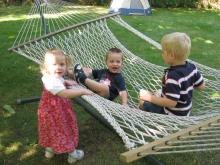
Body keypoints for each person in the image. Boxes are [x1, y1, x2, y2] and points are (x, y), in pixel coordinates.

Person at [38, 49, 93, 164]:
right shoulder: (51, 82)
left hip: (50, 111)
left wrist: (67, 83)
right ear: (46, 67)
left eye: (62, 64)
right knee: (63, 129)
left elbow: (60, 82)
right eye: (54, 64)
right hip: (56, 112)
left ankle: (50, 149)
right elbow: (64, 93)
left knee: (51, 130)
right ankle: (73, 154)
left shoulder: (52, 76)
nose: (59, 67)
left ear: (66, 65)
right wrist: (82, 91)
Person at [139, 32, 205, 116]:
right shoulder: (192, 67)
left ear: (171, 55)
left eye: (163, 52)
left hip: (171, 114)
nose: (162, 54)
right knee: (158, 92)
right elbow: (202, 86)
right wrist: (186, 83)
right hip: (185, 110)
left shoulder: (172, 77)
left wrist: (149, 98)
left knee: (143, 99)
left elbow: (171, 103)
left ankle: (143, 110)